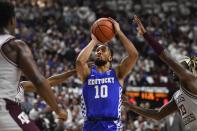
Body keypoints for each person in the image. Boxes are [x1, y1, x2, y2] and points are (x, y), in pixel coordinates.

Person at [0, 1, 66, 131]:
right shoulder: (14, 45)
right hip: (4, 106)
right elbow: (38, 80)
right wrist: (58, 110)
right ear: (12, 21)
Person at [123, 15, 197, 130]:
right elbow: (158, 115)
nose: (174, 68)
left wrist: (145, 35)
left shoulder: (192, 81)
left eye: (180, 65)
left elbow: (166, 57)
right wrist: (131, 107)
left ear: (188, 71)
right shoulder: (178, 95)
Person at [76, 18, 138, 131]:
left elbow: (133, 54)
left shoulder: (117, 73)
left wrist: (118, 32)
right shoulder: (87, 74)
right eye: (97, 51)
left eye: (103, 50)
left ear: (110, 57)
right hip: (90, 125)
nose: (99, 52)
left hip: (112, 125)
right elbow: (80, 62)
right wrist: (94, 41)